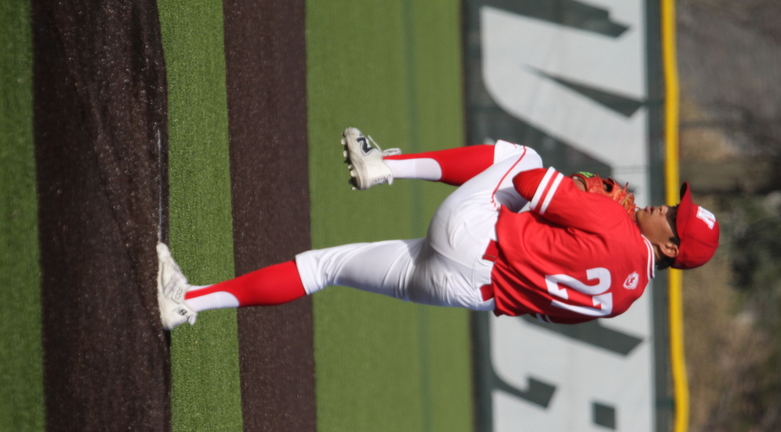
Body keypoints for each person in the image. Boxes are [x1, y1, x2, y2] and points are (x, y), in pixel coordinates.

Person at [157, 127, 720, 330]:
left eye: (673, 217)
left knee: (522, 156)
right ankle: (187, 302)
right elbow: (546, 302)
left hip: (476, 239)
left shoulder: (616, 223)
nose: (664, 207)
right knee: (326, 268)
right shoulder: (622, 301)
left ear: (672, 246)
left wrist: (580, 196)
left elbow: (529, 183)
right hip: (466, 290)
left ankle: (385, 166)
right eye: (675, 204)